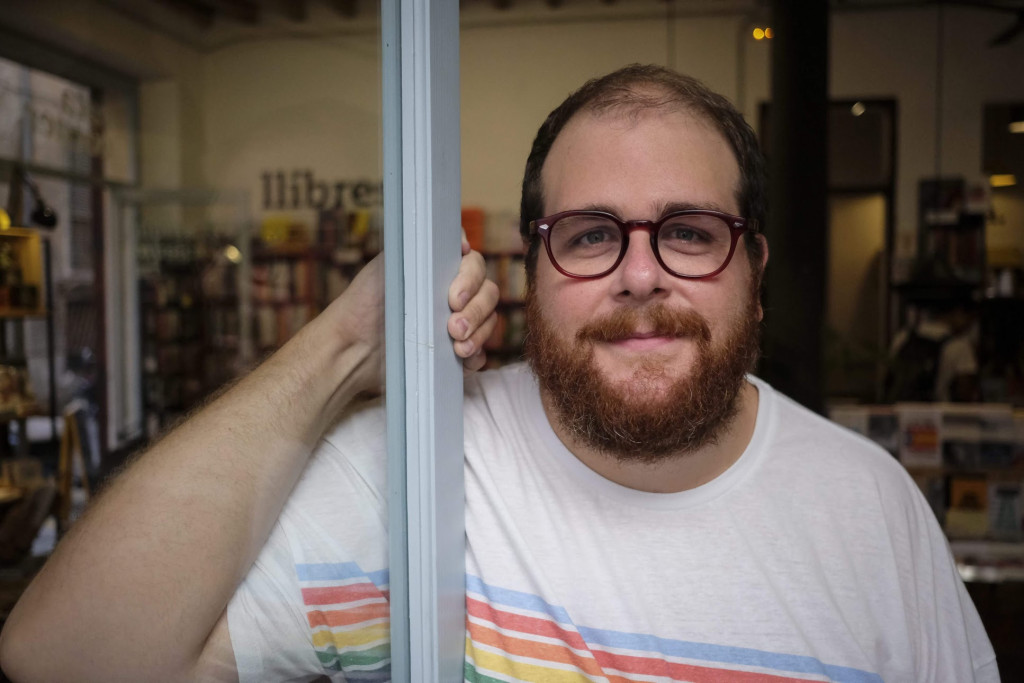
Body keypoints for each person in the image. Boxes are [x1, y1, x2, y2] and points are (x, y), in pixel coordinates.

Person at [0, 65, 997, 683]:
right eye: (591, 233)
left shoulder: (872, 515)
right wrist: (343, 343)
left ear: (757, 273)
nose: (639, 273)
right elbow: (61, 654)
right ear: (530, 270)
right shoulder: (417, 471)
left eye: (690, 232)